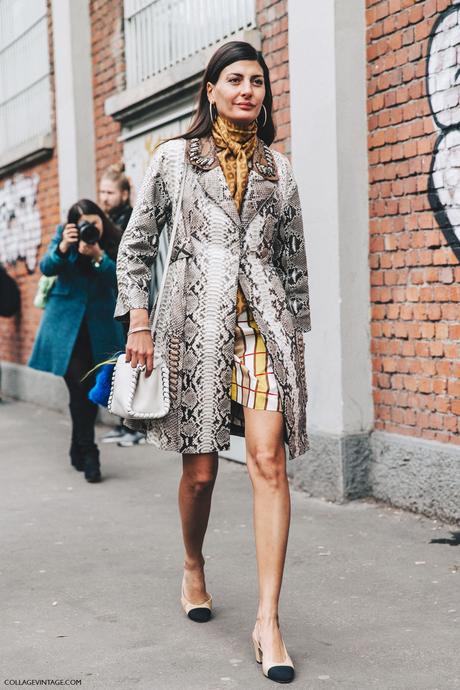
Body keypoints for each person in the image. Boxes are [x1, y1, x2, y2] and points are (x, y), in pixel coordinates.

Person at [115, 41, 311, 684]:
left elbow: (294, 261)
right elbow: (137, 246)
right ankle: (193, 564)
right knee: (200, 474)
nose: (247, 90)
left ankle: (268, 621)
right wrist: (139, 322)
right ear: (210, 88)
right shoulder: (174, 159)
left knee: (267, 459)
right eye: (235, 79)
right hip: (193, 325)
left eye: (257, 81)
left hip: (262, 328)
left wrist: (296, 338)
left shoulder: (279, 170)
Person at [29, 200, 125, 483]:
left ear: (101, 221)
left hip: (99, 330)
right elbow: (46, 268)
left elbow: (120, 280)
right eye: (83, 224)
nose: (89, 228)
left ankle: (77, 447)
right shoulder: (63, 236)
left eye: (93, 222)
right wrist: (62, 248)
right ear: (73, 225)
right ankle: (90, 451)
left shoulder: (112, 239)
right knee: (79, 388)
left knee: (88, 391)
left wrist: (98, 256)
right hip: (66, 331)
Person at [99, 163, 145, 447]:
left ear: (125, 193)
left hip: (133, 303)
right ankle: (123, 421)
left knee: (133, 361)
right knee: (120, 363)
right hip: (114, 302)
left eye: (110, 192)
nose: (104, 197)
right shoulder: (105, 220)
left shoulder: (131, 219)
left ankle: (137, 426)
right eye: (102, 192)